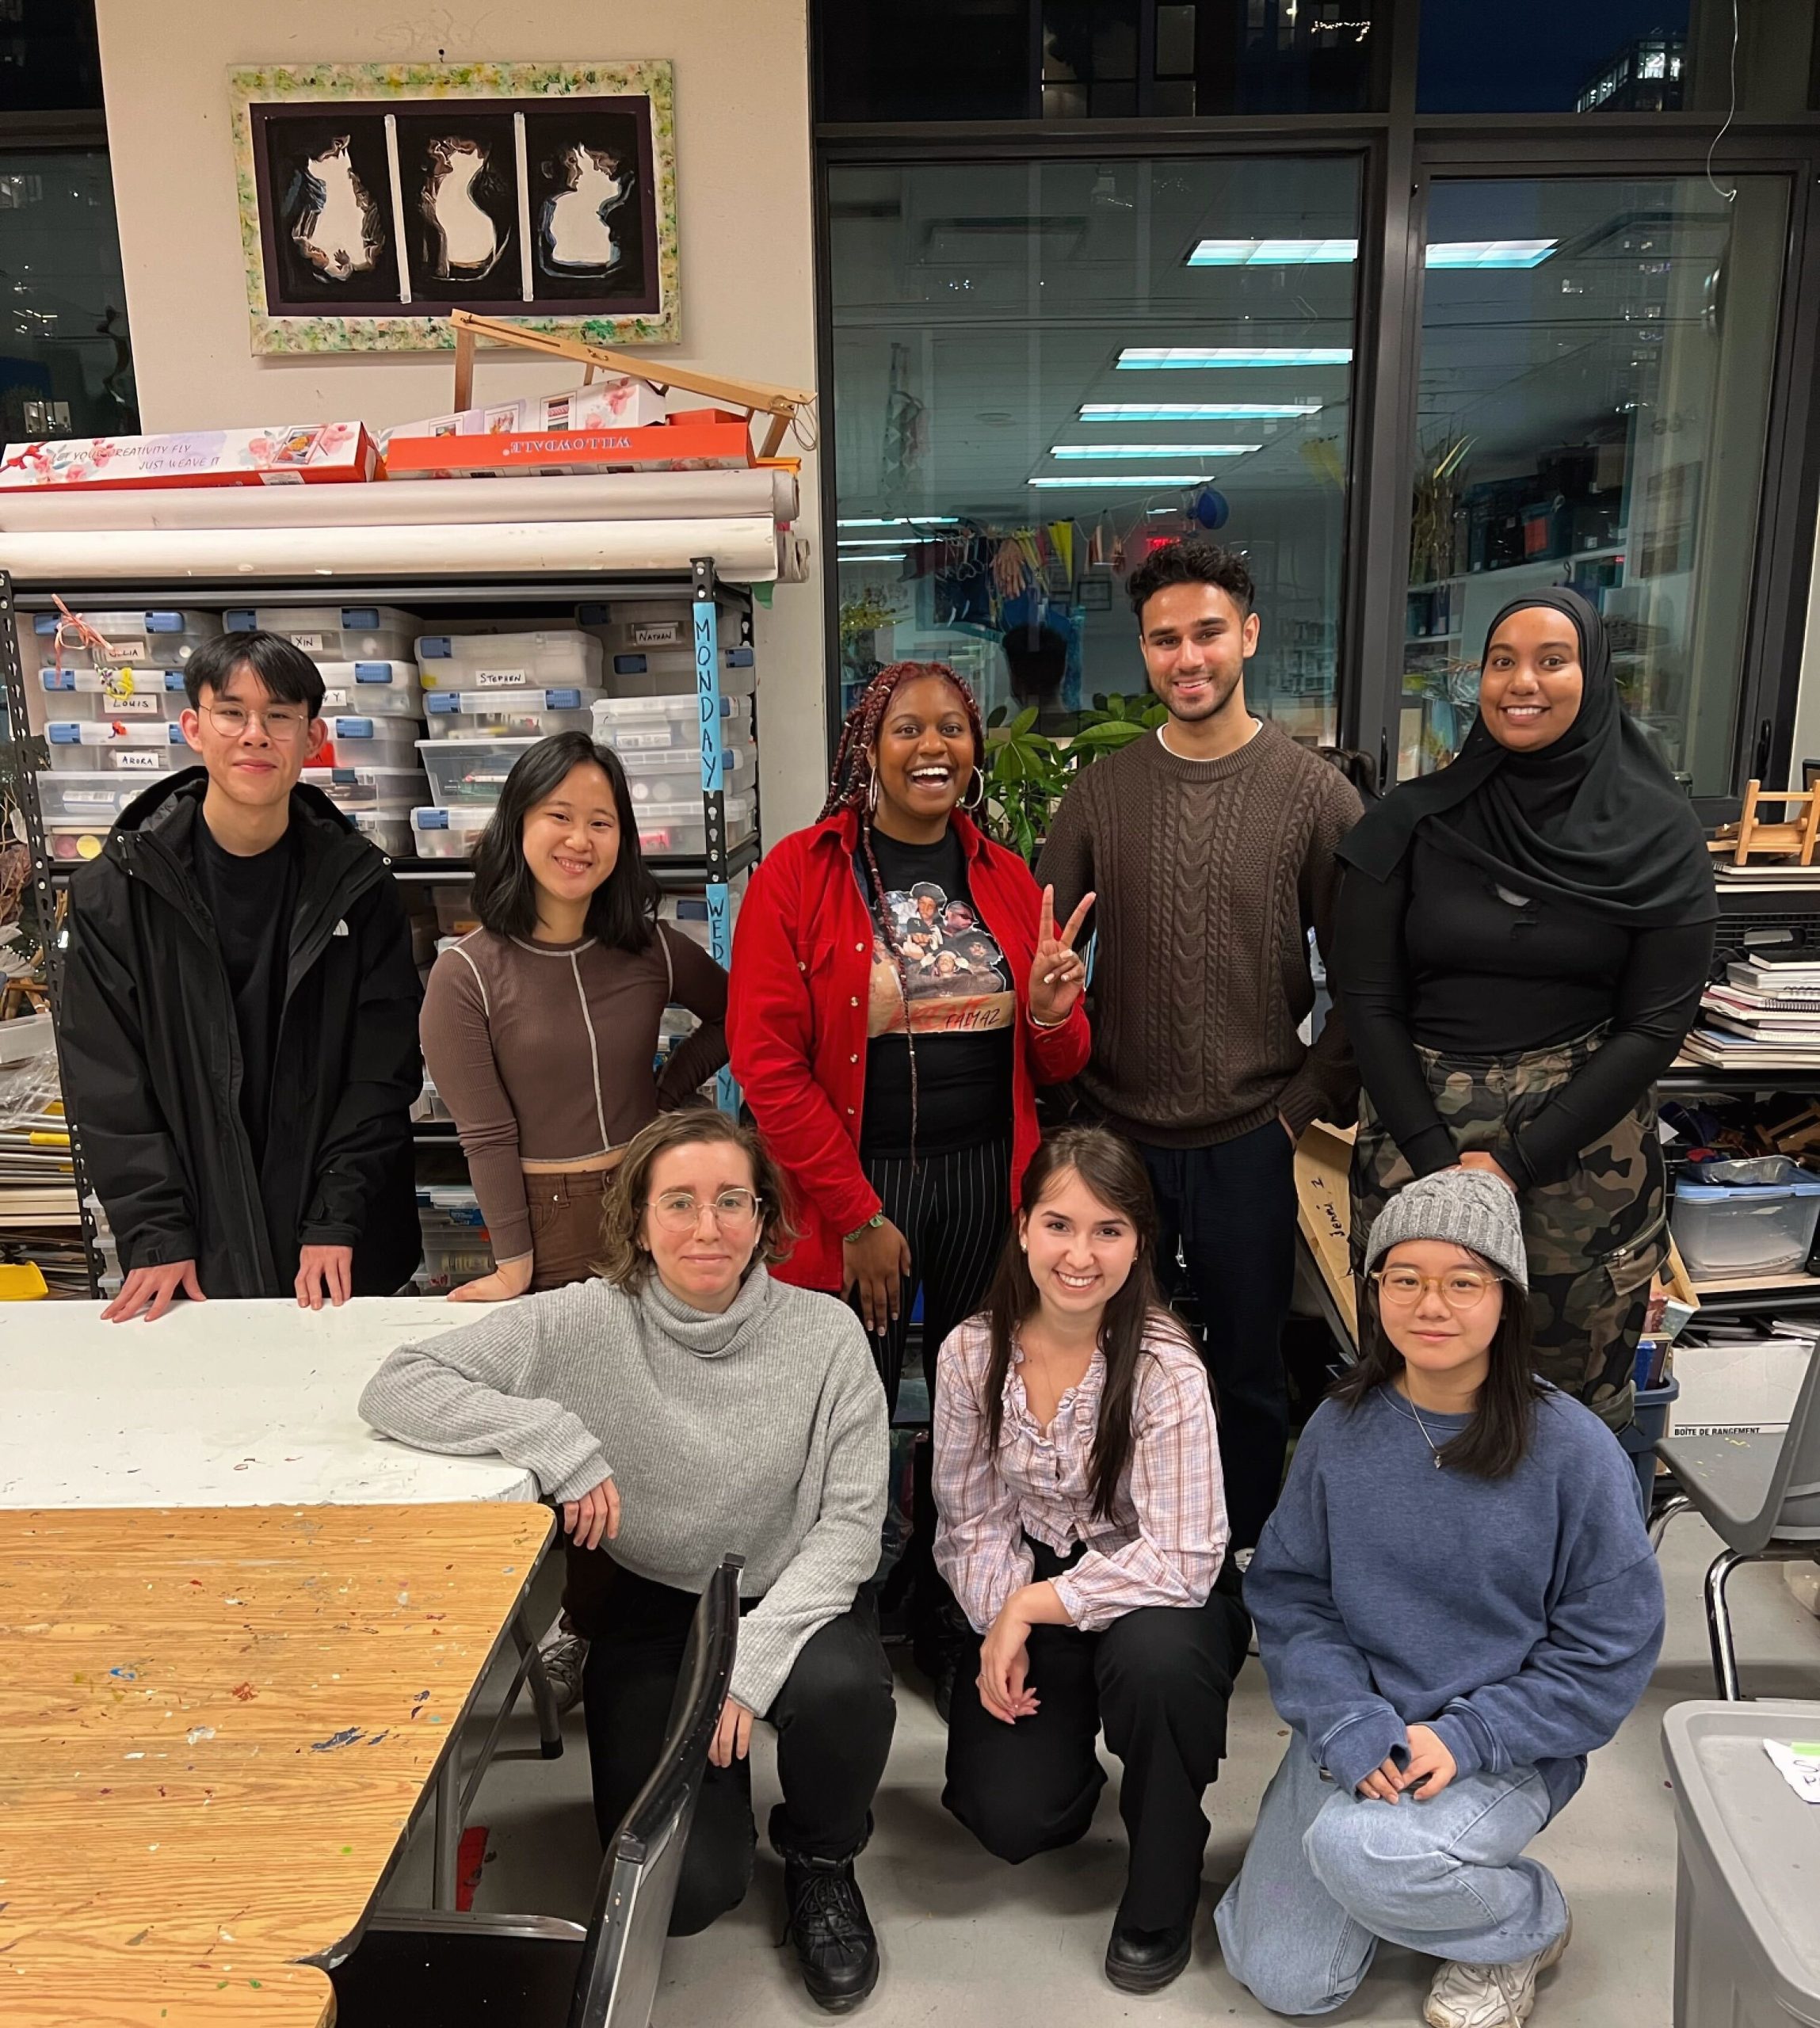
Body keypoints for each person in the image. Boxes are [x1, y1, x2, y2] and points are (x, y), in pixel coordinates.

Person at [358, 1111, 894, 2013]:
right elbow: (398, 1382)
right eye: (677, 1202)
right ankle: (715, 1796)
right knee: (685, 1895)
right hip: (658, 1602)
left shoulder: (827, 1334)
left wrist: (749, 1668)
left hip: (792, 1593)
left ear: (763, 1217)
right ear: (639, 1222)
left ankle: (821, 1860)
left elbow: (848, 1529)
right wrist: (550, 1437)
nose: (706, 1227)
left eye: (731, 1201)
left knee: (846, 1692)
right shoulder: (585, 1320)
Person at [1215, 1168, 1665, 2025]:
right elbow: (1291, 1594)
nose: (1430, 1305)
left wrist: (1471, 1735)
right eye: (1405, 1279)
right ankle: (1388, 1862)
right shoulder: (1338, 1429)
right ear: (1375, 1290)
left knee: (1362, 1851)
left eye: (1463, 1282)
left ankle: (1523, 1924)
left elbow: (1607, 1647)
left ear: (1506, 1299)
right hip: (1358, 1728)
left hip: (1498, 1744)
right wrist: (1342, 1718)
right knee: (1286, 1978)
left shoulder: (1572, 1450)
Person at [728, 660, 1093, 1690]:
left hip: (987, 1182)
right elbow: (764, 1063)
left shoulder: (1005, 877)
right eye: (907, 729)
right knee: (846, 1416)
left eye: (952, 729)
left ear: (973, 751)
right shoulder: (800, 874)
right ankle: (835, 1629)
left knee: (972, 1416)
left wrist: (1055, 1015)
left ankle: (948, 1608)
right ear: (867, 748)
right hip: (856, 1190)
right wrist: (855, 1214)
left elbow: (1057, 1066)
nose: (933, 747)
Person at [1037, 540, 1360, 1550]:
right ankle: (1120, 1547)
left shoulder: (1313, 795)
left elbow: (1367, 985)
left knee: (1247, 1371)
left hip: (1250, 1135)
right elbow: (1044, 960)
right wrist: (1067, 1081)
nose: (1187, 657)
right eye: (1164, 639)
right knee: (1110, 1360)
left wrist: (1295, 1111)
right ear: (1142, 651)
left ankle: (1240, 1556)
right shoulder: (1098, 795)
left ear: (1247, 636)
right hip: (1117, 1136)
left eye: (1207, 633)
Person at [1330, 589, 1716, 1428]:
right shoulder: (1410, 821)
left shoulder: (1659, 834)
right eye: (1501, 661)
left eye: (1551, 660)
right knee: (1414, 1398)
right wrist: (1437, 1158)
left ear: (1593, 674)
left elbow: (1656, 1023)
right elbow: (1366, 1000)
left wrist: (1515, 1161)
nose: (1521, 682)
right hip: (1415, 1127)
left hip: (1581, 1149)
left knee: (1565, 1418)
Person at [935, 1126, 1248, 1996]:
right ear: (1022, 1228)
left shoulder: (1163, 1365)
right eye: (1058, 1225)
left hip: (1156, 1588)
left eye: (1108, 1230)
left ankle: (1163, 1873)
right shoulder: (970, 1352)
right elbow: (968, 1519)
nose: (1079, 1255)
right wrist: (1002, 1616)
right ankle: (1071, 1757)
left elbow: (1183, 1558)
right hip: (1033, 1571)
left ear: (1140, 1242)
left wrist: (1031, 1608)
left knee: (1156, 1669)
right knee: (1008, 1816)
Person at [60, 630, 422, 1321]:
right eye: (232, 712)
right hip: (187, 1257)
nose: (255, 734)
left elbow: (381, 1072)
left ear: (311, 737)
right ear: (194, 727)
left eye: (279, 715)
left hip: (341, 1251)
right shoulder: (114, 895)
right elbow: (108, 1084)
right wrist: (157, 1230)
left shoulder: (359, 886)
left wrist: (335, 1217)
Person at [420, 731, 728, 1301]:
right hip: (546, 1227)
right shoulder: (464, 975)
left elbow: (737, 1016)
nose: (579, 840)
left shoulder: (654, 947)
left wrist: (664, 1098)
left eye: (600, 822)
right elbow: (486, 1136)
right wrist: (513, 1265)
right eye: (559, 815)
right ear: (518, 822)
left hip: (654, 1202)